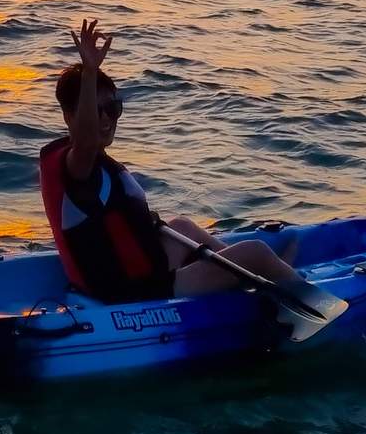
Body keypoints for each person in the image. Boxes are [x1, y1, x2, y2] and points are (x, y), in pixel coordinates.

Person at [39, 19, 302, 304]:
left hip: (136, 273)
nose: (106, 119)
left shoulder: (92, 165)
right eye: (95, 110)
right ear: (69, 117)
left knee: (181, 228)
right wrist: (90, 72)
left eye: (113, 108)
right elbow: (86, 140)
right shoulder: (77, 166)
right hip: (133, 293)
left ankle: (256, 276)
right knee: (256, 250)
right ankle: (299, 292)